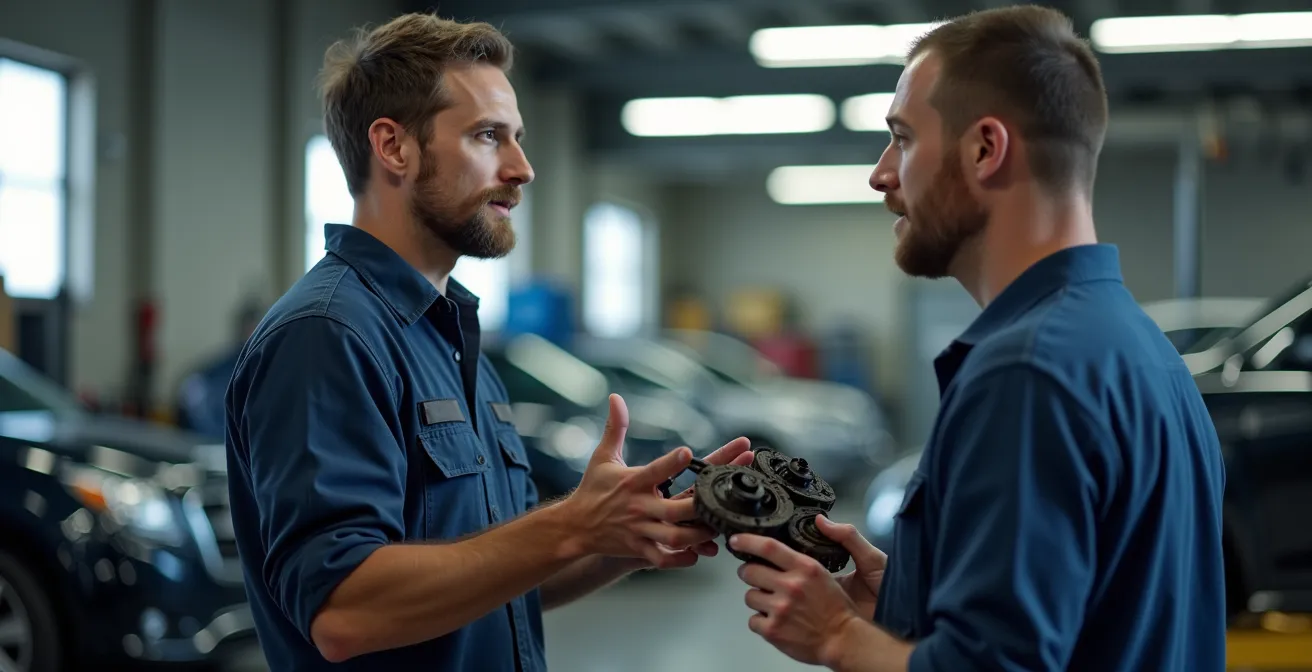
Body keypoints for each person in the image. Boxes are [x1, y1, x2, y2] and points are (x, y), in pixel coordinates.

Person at [224, 13, 753, 671]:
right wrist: (568, 525)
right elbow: (343, 610)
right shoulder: (327, 337)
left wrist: (624, 537)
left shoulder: (452, 339)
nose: (523, 168)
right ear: (393, 147)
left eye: (519, 138)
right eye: (487, 136)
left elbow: (500, 577)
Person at [729, 6, 1227, 671]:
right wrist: (910, 604)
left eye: (902, 139)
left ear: (985, 149)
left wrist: (839, 639)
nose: (881, 174)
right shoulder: (1144, 352)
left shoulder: (1026, 372)